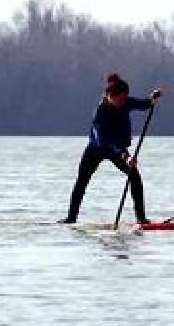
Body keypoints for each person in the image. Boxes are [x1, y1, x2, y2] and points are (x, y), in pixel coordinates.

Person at [58, 73, 163, 224]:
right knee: (82, 181)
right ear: (109, 96)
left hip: (118, 148)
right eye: (119, 99)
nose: (123, 102)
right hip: (97, 148)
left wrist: (153, 98)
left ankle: (141, 219)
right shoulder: (100, 113)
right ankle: (71, 218)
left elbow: (143, 104)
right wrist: (125, 156)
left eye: (124, 98)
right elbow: (105, 140)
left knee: (134, 176)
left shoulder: (125, 101)